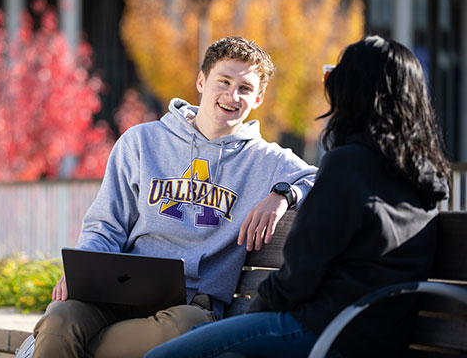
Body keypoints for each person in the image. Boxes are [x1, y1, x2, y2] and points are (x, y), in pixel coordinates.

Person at [144, 35, 451, 358]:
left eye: (334, 77)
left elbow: (299, 274)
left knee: (161, 356)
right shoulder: (421, 177)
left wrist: (249, 318)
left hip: (322, 330)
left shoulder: (349, 165)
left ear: (354, 92)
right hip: (378, 338)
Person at [28, 36, 317, 358]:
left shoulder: (266, 160)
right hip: (117, 293)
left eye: (245, 88)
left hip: (190, 306)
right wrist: (82, 272)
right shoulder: (142, 141)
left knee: (184, 330)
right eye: (223, 81)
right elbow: (106, 224)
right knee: (59, 319)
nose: (231, 95)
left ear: (259, 98)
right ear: (201, 81)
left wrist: (283, 194)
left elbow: (321, 177)